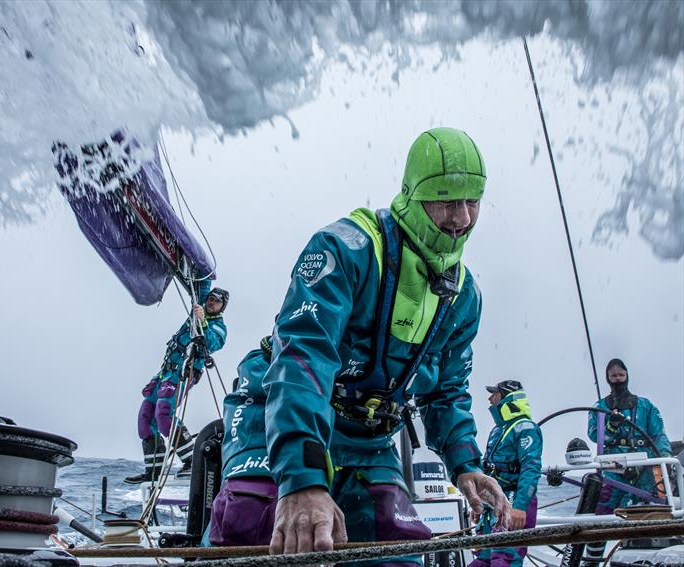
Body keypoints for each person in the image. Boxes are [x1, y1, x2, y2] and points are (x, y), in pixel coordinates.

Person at [209, 127, 511, 563]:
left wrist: (466, 463)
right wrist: (303, 479)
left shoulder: (464, 297)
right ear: (412, 194)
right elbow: (303, 358)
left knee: (395, 544)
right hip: (275, 408)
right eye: (446, 199)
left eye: (473, 201)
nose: (461, 217)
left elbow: (446, 390)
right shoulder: (345, 249)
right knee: (250, 522)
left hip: (368, 436)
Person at [124, 287, 229, 484]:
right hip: (165, 372)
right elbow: (200, 285)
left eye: (217, 301)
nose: (212, 302)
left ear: (222, 307)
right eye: (211, 298)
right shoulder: (196, 311)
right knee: (145, 417)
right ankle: (153, 471)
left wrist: (202, 320)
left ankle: (191, 461)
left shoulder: (218, 326)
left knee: (164, 413)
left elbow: (212, 343)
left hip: (182, 373)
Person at [582, 358, 672, 564]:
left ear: (627, 376)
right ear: (607, 379)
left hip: (644, 469)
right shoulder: (599, 408)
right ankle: (592, 560)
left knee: (648, 512)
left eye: (620, 375)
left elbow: (659, 434)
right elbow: (594, 434)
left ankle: (645, 556)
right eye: (613, 376)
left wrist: (665, 458)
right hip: (613, 469)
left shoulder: (646, 406)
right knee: (601, 516)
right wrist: (611, 426)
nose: (617, 379)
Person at [470, 380, 543, 567]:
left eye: (494, 394)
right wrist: (477, 504)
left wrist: (519, 507)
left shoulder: (526, 428)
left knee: (505, 560)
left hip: (514, 500)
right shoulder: (497, 431)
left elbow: (530, 469)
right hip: (492, 505)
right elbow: (487, 471)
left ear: (506, 397)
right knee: (482, 561)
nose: (489, 398)